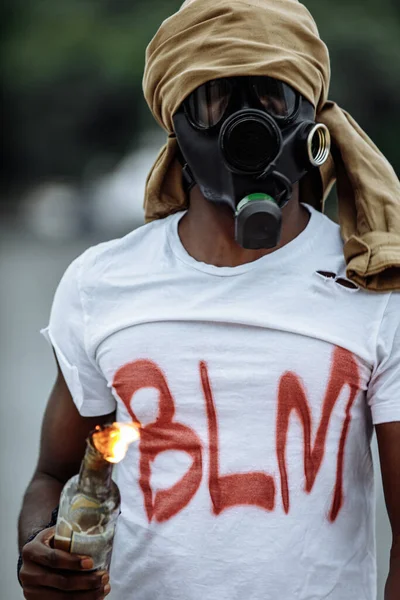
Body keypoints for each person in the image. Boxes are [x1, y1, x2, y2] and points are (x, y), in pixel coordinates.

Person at [17, 1, 400, 599]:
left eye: (271, 94)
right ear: (177, 125)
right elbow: (57, 473)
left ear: (311, 116)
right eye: (215, 97)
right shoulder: (103, 283)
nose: (246, 122)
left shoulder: (374, 283)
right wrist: (45, 552)